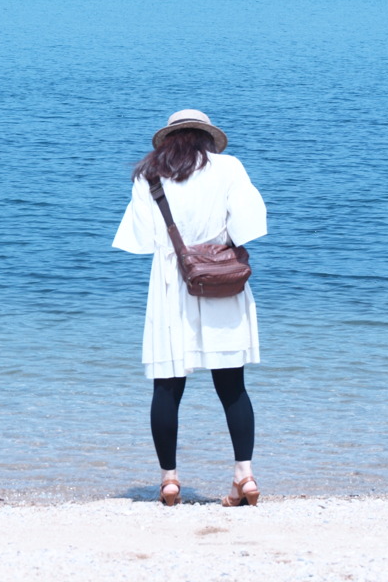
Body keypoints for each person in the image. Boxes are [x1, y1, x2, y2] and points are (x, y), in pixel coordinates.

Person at [112, 109, 267, 507]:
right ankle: (244, 476)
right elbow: (250, 226)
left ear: (168, 139)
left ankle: (169, 481)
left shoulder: (150, 176)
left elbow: (141, 239)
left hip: (171, 284)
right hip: (220, 279)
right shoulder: (229, 167)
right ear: (207, 138)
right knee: (232, 386)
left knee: (167, 385)